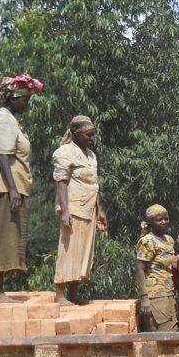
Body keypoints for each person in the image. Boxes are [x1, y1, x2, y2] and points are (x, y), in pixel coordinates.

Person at [0, 74, 43, 304]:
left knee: (9, 235)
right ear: (12, 99)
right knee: (2, 235)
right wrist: (12, 189)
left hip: (10, 186)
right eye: (23, 99)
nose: (26, 103)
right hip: (4, 188)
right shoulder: (5, 120)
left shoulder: (11, 119)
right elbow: (3, 156)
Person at [52, 115, 107, 305]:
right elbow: (61, 182)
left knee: (83, 251)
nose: (91, 138)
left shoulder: (91, 155)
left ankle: (74, 292)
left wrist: (100, 209)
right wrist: (65, 211)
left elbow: (95, 184)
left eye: (93, 135)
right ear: (76, 134)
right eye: (88, 135)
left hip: (89, 207)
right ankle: (60, 293)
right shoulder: (65, 152)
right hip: (73, 207)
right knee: (68, 249)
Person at [134, 205, 177, 332]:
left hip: (170, 292)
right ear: (150, 222)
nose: (164, 222)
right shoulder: (147, 241)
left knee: (172, 331)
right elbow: (139, 269)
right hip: (156, 295)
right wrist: (144, 297)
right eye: (159, 219)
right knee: (164, 334)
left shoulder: (169, 240)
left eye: (166, 219)